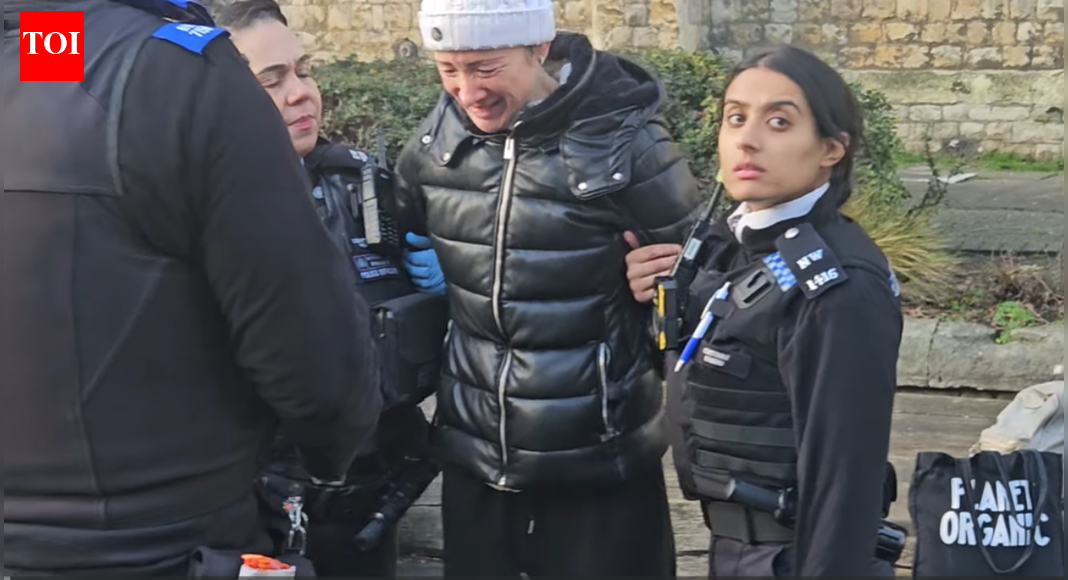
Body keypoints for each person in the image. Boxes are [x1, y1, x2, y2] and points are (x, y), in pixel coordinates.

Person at [3, 0, 381, 575]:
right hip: (165, 540)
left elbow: (58, 74)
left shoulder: (48, 50)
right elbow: (315, 361)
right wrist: (331, 452)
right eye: (274, 78)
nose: (299, 92)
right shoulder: (180, 72)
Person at [392, 0, 705, 576]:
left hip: (599, 460)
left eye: (486, 68)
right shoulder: (435, 143)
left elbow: (709, 295)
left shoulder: (629, 143)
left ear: (539, 48)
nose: (466, 91)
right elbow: (399, 243)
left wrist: (666, 291)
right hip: (475, 455)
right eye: (448, 70)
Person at [625, 45, 904, 577]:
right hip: (737, 547)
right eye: (736, 117)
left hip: (794, 557)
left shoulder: (837, 286)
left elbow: (844, 479)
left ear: (831, 149)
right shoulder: (736, 247)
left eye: (779, 121)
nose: (747, 139)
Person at [215, 1, 448, 576]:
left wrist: (455, 276)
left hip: (371, 498)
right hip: (254, 511)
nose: (300, 93)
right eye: (272, 80)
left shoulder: (364, 182)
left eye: (305, 70)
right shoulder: (200, 210)